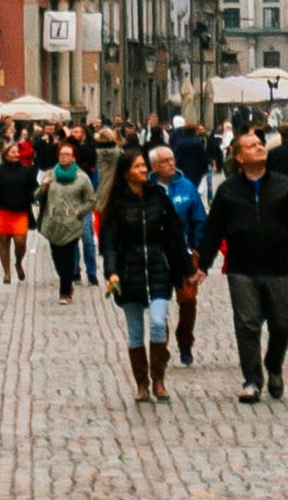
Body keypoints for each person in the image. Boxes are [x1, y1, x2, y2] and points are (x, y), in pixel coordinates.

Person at [205, 129, 288, 401]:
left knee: (282, 324)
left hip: (277, 266)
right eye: (252, 145)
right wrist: (203, 263)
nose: (260, 147)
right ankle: (252, 381)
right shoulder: (228, 191)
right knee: (247, 325)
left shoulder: (283, 186)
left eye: (260, 143)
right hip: (241, 268)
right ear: (239, 157)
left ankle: (273, 365)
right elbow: (213, 230)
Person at [100, 146, 192, 402]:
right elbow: (109, 243)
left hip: (158, 267)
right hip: (129, 271)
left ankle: (159, 380)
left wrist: (187, 268)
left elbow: (174, 233)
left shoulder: (158, 196)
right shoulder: (116, 204)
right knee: (135, 331)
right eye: (138, 167)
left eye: (144, 166)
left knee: (158, 322)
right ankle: (142, 384)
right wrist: (112, 272)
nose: (143, 170)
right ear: (126, 173)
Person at [162, 153, 211, 368]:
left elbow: (200, 219)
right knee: (159, 303)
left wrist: (199, 250)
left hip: (186, 253)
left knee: (188, 300)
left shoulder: (187, 187)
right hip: (159, 255)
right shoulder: (150, 188)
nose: (171, 163)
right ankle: (159, 345)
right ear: (154, 165)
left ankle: (185, 341)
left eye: (172, 159)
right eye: (165, 161)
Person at [36, 141, 98, 298]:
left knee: (69, 256)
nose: (63, 157)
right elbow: (36, 196)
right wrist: (43, 186)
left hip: (72, 223)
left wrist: (79, 211)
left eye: (67, 154)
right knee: (57, 257)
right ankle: (67, 281)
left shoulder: (82, 178)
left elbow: (91, 200)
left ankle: (64, 292)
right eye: (61, 154)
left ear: (73, 158)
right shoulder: (50, 174)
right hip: (53, 223)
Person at [0, 140, 39, 283]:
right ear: (5, 155)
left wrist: (37, 197)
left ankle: (18, 262)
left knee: (20, 242)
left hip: (21, 211)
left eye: (17, 152)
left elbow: (34, 188)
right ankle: (7, 273)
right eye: (13, 152)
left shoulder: (26, 170)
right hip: (2, 210)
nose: (16, 154)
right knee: (4, 241)